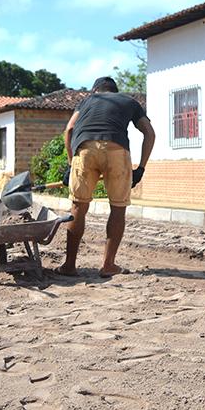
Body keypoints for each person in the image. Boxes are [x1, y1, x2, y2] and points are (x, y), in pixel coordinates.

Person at [56, 76, 155, 278]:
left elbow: (69, 130)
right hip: (117, 150)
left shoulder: (86, 101)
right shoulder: (130, 102)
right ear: (114, 91)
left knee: (78, 208)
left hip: (85, 149)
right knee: (118, 209)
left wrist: (71, 163)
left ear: (95, 90)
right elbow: (149, 133)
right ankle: (108, 265)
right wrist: (141, 168)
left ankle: (69, 266)